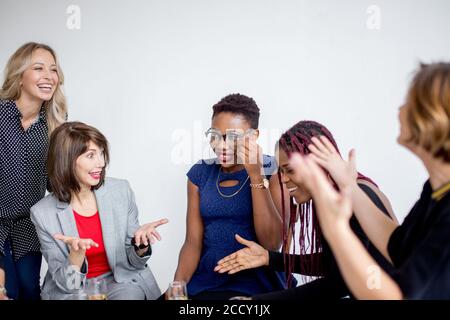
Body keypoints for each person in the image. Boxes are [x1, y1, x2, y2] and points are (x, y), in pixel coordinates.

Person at [286, 62, 450, 299]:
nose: (400, 109)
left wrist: (336, 228)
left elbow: (396, 296)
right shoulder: (436, 189)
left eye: (409, 102)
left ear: (432, 116)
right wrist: (349, 187)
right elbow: (398, 246)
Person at [215, 120, 397, 299]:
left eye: (290, 170)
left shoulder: (359, 196)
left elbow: (339, 284)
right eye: (281, 171)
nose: (284, 180)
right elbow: (332, 264)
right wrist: (269, 258)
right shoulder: (333, 195)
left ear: (315, 164)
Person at [30, 121, 167, 300]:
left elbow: (133, 264)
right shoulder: (42, 214)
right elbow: (67, 285)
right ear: (67, 160)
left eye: (101, 153)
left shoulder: (120, 191)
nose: (101, 163)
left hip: (120, 281)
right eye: (90, 156)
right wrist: (76, 256)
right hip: (74, 291)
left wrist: (141, 245)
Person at [172, 94, 289, 300]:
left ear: (253, 136)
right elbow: (192, 242)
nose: (221, 146)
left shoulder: (274, 170)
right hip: (205, 284)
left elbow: (272, 244)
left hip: (257, 287)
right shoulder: (200, 174)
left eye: (233, 137)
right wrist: (178, 286)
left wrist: (255, 174)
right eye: (215, 135)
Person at [0, 42, 68, 300]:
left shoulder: (55, 123)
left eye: (53, 70)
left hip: (29, 225)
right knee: (7, 292)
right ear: (19, 75)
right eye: (38, 68)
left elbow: (54, 184)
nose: (49, 76)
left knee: (30, 291)